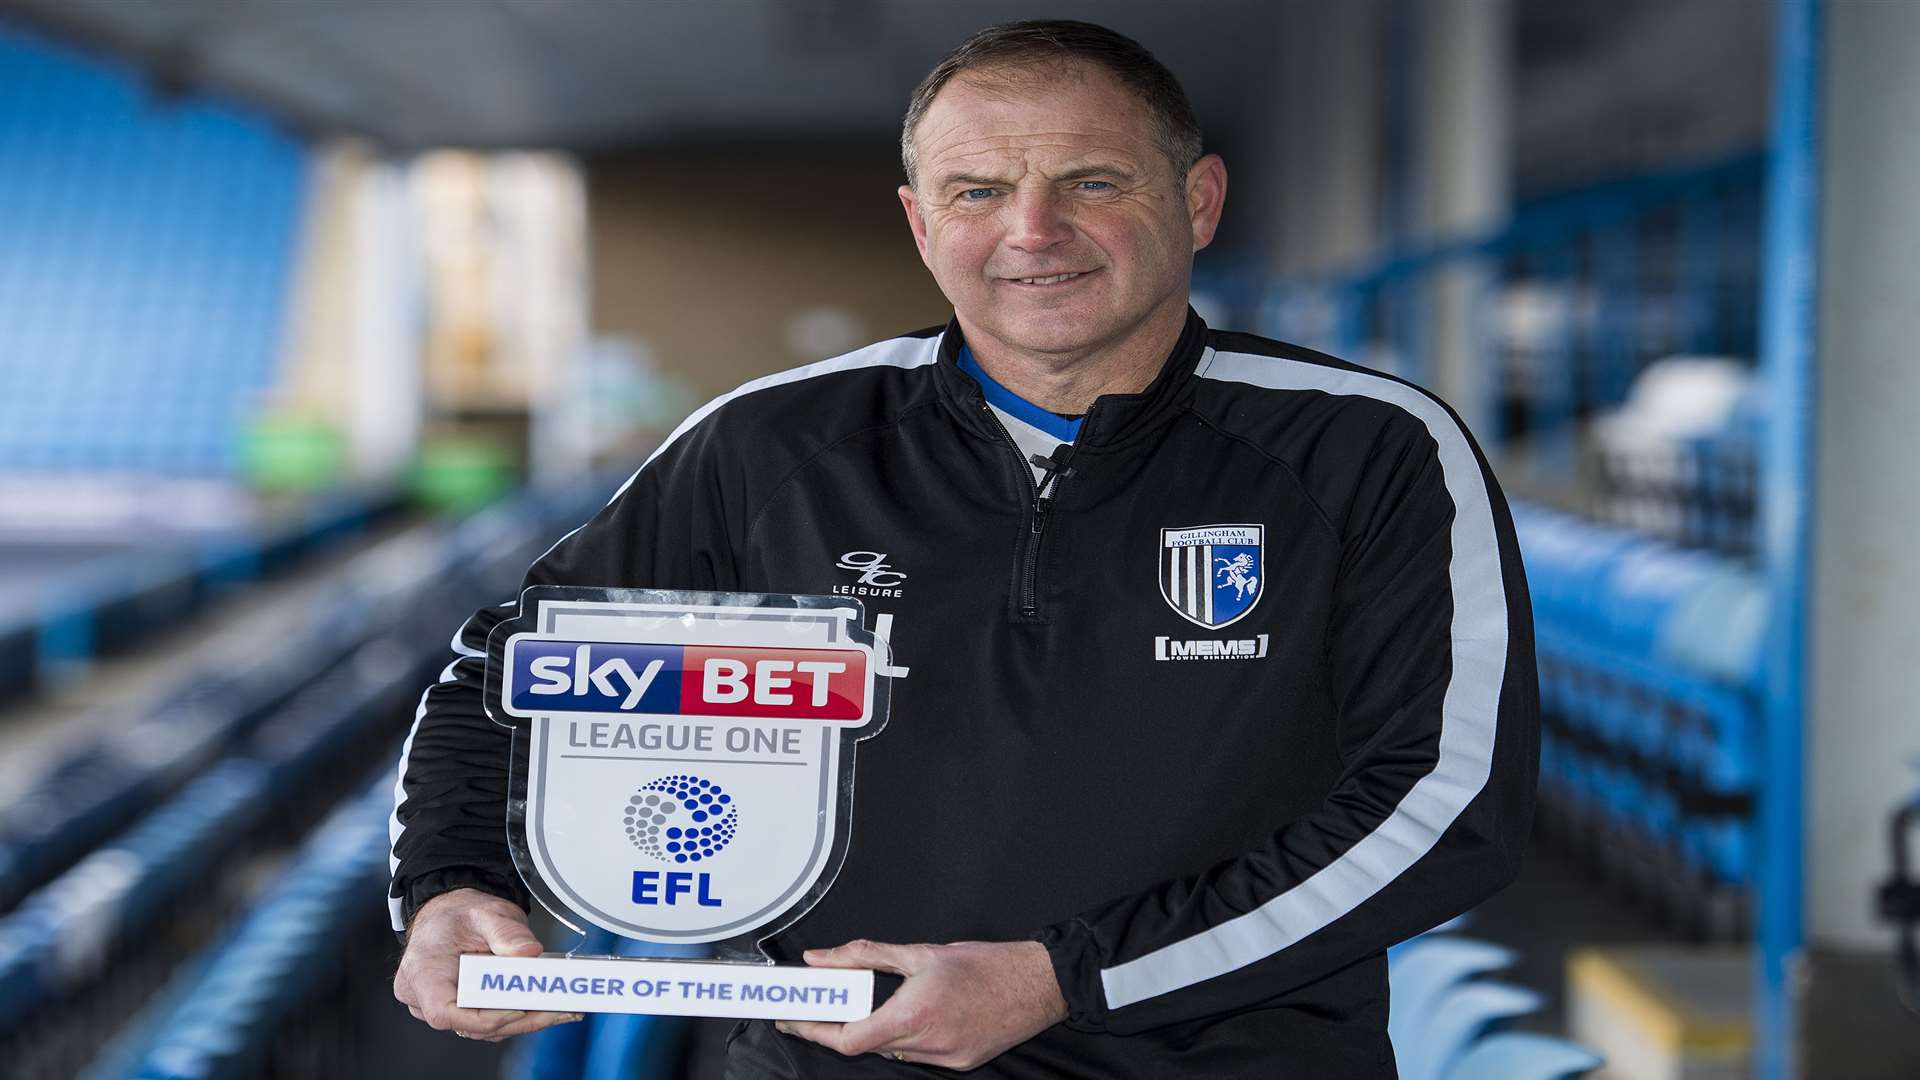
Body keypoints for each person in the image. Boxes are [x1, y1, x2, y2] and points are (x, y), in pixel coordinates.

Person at [390, 19, 1538, 1078]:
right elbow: (510, 674)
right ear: (921, 221)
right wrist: (453, 887)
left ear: (1198, 202)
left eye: (1091, 182)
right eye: (978, 190)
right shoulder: (772, 443)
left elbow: (1446, 809)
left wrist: (1063, 979)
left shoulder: (1368, 448)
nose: (1032, 232)